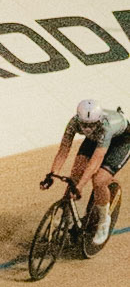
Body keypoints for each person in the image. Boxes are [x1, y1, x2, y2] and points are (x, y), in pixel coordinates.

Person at [41, 98, 129, 249]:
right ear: (78, 119)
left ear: (98, 121)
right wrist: (52, 174)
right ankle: (66, 215)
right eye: (85, 125)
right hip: (96, 139)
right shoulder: (74, 123)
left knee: (99, 180)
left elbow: (95, 161)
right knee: (75, 173)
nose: (87, 129)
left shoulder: (105, 126)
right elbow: (63, 150)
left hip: (121, 142)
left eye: (91, 125)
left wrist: (80, 186)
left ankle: (103, 221)